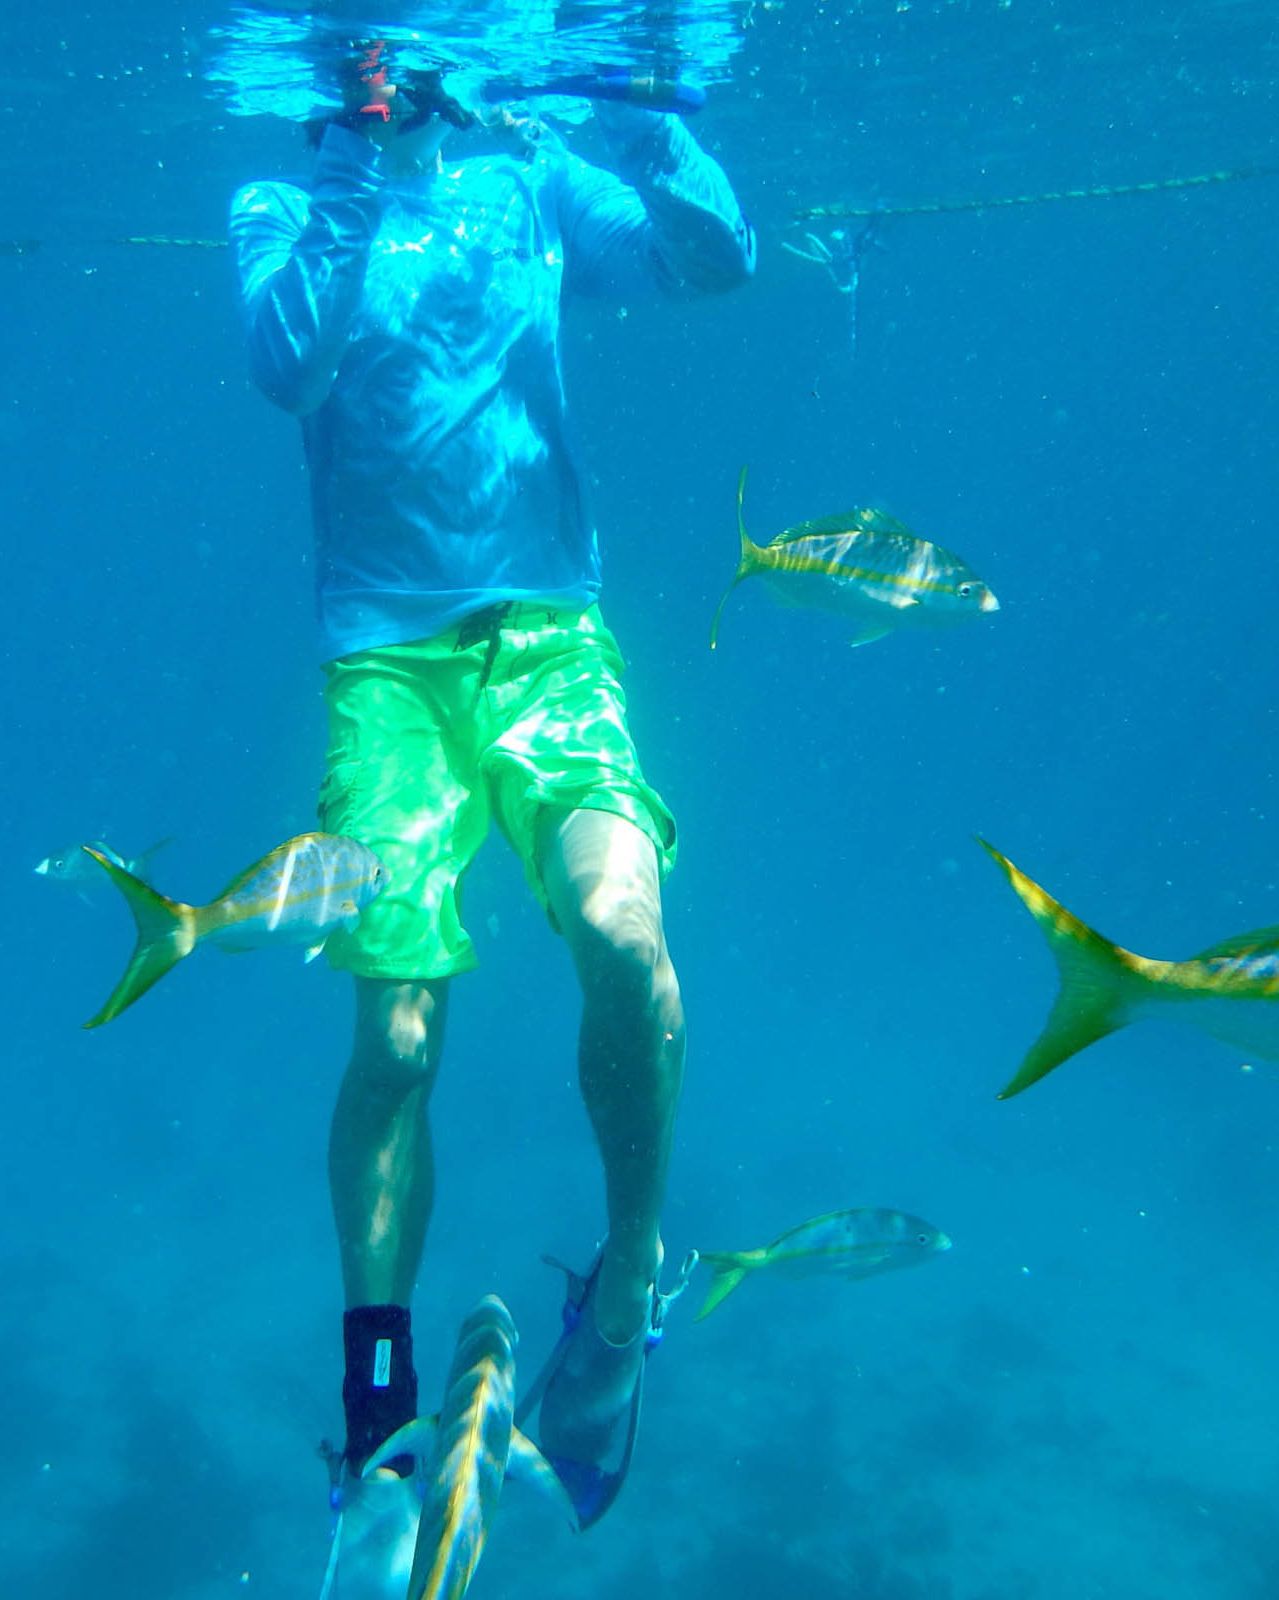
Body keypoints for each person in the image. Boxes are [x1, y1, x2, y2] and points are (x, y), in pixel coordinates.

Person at [227, 44, 755, 1538]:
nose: (390, 78)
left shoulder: (524, 172)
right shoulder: (280, 199)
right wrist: (356, 162)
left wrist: (655, 103)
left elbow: (710, 261)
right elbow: (287, 364)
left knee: (626, 936)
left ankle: (625, 1298)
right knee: (395, 1040)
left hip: (550, 647)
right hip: (384, 672)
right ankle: (379, 1396)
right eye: (359, 64)